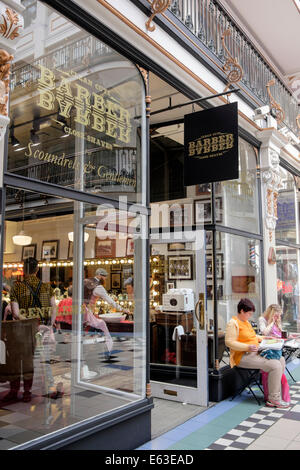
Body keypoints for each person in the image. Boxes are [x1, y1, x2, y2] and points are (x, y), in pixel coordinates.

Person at [7, 257, 57, 403]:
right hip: (43, 330)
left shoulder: (17, 287)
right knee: (44, 361)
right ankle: (50, 388)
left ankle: (21, 391)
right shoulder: (48, 288)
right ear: (37, 270)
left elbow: (16, 313)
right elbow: (54, 308)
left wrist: (30, 324)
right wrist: (49, 326)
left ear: (24, 269)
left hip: (23, 331)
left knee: (21, 362)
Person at [225, 298, 289, 408]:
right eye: (249, 313)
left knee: (281, 359)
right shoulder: (233, 323)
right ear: (241, 311)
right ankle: (274, 399)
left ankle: (273, 392)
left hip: (254, 353)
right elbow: (229, 342)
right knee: (275, 365)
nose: (250, 316)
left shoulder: (246, 322)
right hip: (243, 357)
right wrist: (247, 347)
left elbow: (253, 337)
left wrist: (265, 338)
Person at [258, 304, 290, 403]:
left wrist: (278, 323)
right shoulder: (262, 319)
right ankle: (273, 395)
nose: (278, 317)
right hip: (267, 349)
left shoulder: (277, 320)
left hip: (276, 347)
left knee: (282, 362)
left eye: (279, 315)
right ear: (272, 314)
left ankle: (279, 393)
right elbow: (264, 332)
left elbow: (280, 333)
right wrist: (271, 322)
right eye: (276, 315)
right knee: (277, 366)